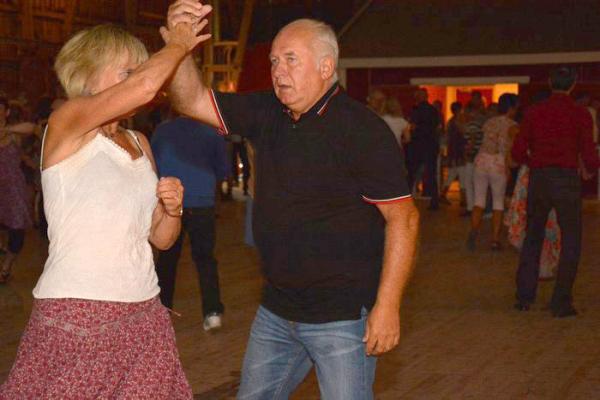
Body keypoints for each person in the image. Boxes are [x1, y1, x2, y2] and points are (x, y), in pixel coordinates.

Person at [165, 4, 420, 399]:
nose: (278, 70)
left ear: (325, 66)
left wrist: (387, 306)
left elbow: (403, 219)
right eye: (273, 61)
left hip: (341, 316)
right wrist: (181, 47)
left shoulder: (362, 130)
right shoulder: (267, 111)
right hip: (277, 310)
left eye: (290, 59)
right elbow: (191, 101)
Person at [0, 21, 209, 398]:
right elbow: (145, 86)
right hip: (79, 312)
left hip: (144, 310)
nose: (139, 78)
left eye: (139, 70)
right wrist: (179, 43)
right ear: (88, 75)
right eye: (128, 70)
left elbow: (161, 239)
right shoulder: (67, 123)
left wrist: (172, 210)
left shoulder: (139, 142)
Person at [512, 66, 599, 317]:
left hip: (540, 177)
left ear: (550, 82)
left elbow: (518, 150)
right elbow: (589, 153)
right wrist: (591, 167)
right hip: (566, 179)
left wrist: (534, 162)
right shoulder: (580, 113)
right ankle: (560, 301)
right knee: (571, 239)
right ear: (574, 84)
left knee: (533, 237)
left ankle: (524, 296)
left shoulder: (534, 111)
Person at [151, 116, 229, 331]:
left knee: (167, 259)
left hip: (170, 203)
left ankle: (163, 311)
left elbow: (153, 168)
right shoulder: (211, 132)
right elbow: (222, 169)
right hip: (202, 201)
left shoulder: (162, 131)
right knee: (205, 259)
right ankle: (213, 312)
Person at [467, 93, 519, 250]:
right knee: (498, 202)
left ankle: (473, 232)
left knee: (479, 201)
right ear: (511, 108)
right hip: (498, 163)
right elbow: (507, 148)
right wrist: (509, 166)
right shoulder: (513, 126)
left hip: (481, 161)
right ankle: (495, 239)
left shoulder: (489, 122)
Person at [0, 98, 35, 283]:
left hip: (13, 188)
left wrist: (6, 130)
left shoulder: (14, 133)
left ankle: (6, 267)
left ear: (6, 112)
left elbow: (31, 127)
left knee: (17, 228)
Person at [408, 88, 441, 209]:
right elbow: (438, 127)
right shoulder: (433, 110)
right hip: (431, 145)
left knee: (412, 173)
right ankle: (434, 201)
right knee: (431, 174)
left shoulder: (416, 110)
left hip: (418, 145)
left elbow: (412, 126)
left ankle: (405, 200)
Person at [440, 101, 467, 205]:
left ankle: (443, 195)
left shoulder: (450, 122)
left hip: (453, 152)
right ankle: (463, 199)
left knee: (452, 174)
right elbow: (463, 133)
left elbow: (447, 138)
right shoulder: (457, 121)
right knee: (462, 175)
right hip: (459, 152)